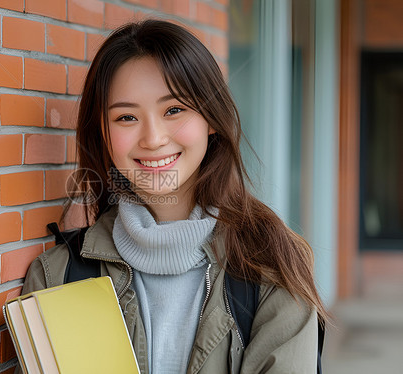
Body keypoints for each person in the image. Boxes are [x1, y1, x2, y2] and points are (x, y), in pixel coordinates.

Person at [16, 19, 327, 374]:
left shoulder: (272, 265)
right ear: (103, 133)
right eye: (127, 117)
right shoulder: (58, 276)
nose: (153, 138)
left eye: (174, 110)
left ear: (211, 118)